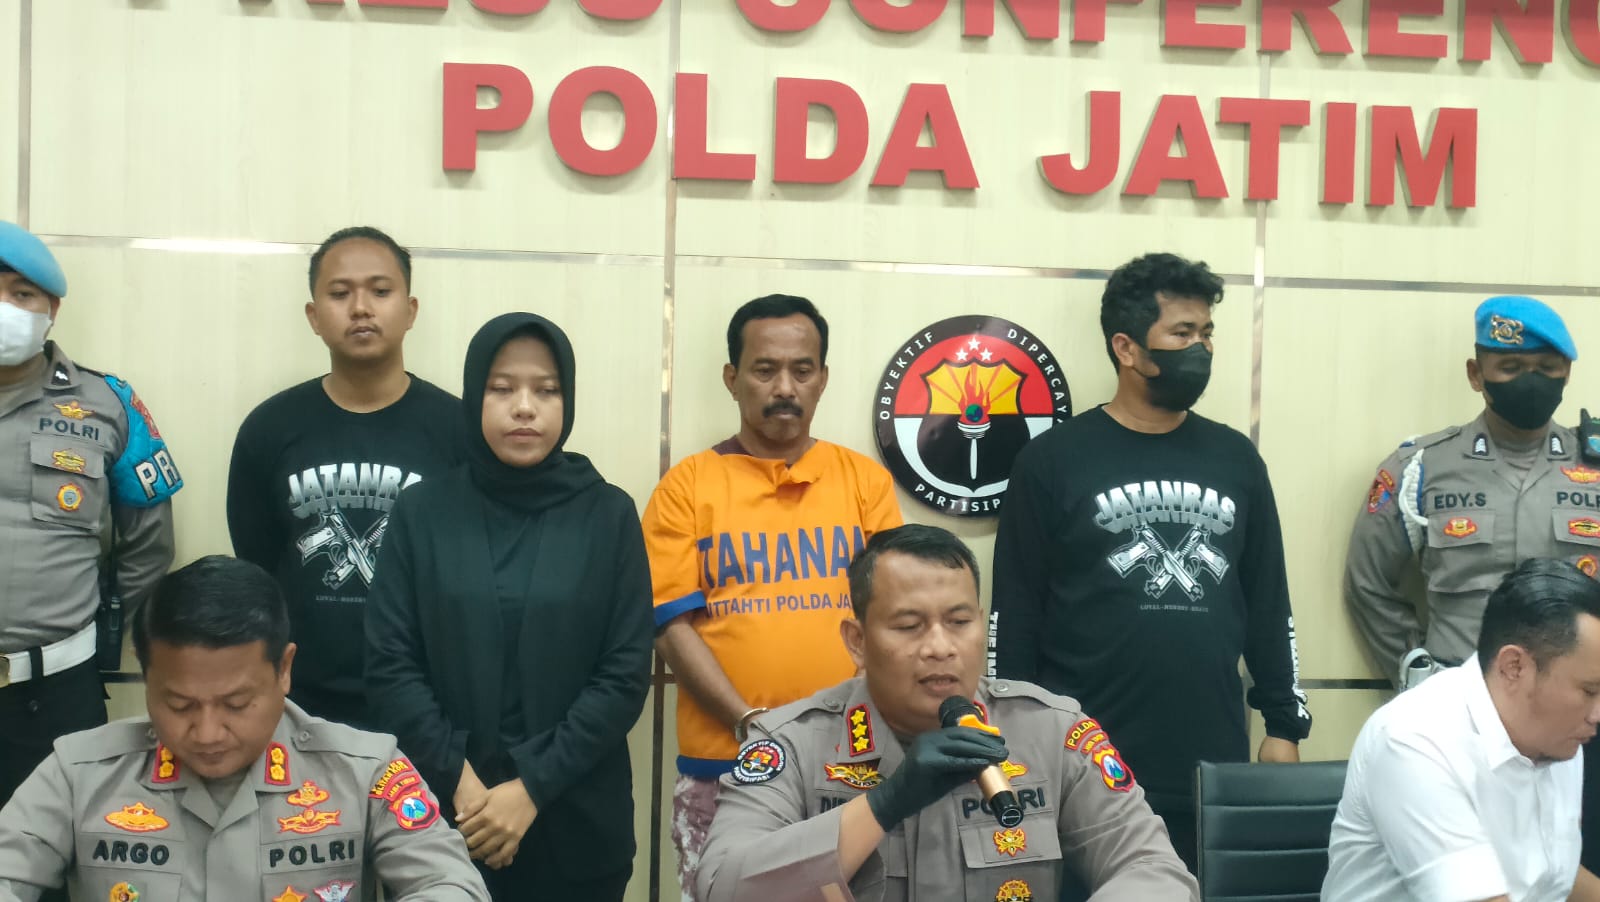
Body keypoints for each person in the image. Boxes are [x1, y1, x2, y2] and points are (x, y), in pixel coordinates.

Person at [990, 252, 1311, 872]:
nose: (1202, 349)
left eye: (1207, 333)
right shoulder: (1053, 462)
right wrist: (1013, 738)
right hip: (1083, 762)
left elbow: (1269, 602)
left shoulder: (1236, 459)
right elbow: (1015, 613)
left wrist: (1283, 725)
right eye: (1182, 333)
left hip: (1210, 762)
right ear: (1127, 348)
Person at [698, 524, 1198, 902]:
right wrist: (882, 805)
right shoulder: (792, 743)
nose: (940, 647)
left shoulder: (1051, 731)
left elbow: (1153, 869)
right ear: (857, 641)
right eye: (909, 626)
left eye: (959, 621)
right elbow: (721, 888)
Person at [0, 555, 491, 902]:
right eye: (179, 704)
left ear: (284, 669)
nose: (207, 732)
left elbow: (450, 885)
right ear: (146, 675)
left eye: (236, 704)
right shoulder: (79, 773)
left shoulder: (364, 771)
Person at [365, 312, 653, 900]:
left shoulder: (608, 515)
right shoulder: (423, 513)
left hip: (577, 826)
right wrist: (463, 785)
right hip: (445, 823)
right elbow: (391, 663)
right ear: (475, 396)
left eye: (546, 390)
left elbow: (623, 674)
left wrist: (531, 788)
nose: (524, 408)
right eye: (502, 389)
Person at [643, 293, 903, 899]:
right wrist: (749, 724)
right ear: (732, 378)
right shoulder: (687, 487)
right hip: (726, 770)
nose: (785, 387)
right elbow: (670, 629)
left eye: (801, 370)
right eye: (764, 370)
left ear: (823, 379)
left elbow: (895, 616)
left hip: (853, 765)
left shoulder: (864, 482)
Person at [227, 225, 465, 731]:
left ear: (411, 310)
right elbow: (258, 567)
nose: (360, 308)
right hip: (301, 703)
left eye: (380, 291)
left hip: (428, 703)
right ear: (314, 316)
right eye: (339, 293)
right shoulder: (269, 429)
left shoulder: (459, 431)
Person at [0, 221, 181, 811]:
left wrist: (112, 634)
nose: (5, 307)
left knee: (56, 854)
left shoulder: (109, 403)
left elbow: (149, 543)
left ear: (51, 309)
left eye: (22, 293)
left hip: (55, 694)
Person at [1322, 558, 1600, 902]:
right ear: (1514, 667)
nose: (1597, 714)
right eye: (1589, 691)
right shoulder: (1415, 739)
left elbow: (1554, 874)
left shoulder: (1560, 736)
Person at [1346, 295, 1583, 688]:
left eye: (1546, 368)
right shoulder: (1420, 467)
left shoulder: (1593, 467)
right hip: (1457, 697)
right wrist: (1417, 670)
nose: (1531, 381)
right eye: (1511, 367)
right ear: (1476, 374)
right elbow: (1367, 583)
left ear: (1567, 372)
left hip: (1576, 703)